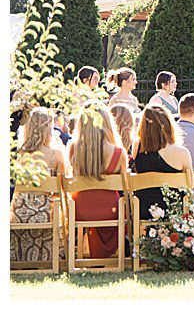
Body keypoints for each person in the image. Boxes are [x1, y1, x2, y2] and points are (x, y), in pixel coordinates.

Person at [68, 104, 127, 259]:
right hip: (111, 211)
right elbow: (125, 187)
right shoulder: (118, 153)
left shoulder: (73, 149)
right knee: (126, 206)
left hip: (80, 210)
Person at [11, 107, 68, 265]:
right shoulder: (56, 153)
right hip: (45, 211)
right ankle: (53, 259)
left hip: (19, 211)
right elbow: (62, 186)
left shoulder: (19, 153)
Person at [130, 105, 193, 219]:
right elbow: (190, 186)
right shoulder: (182, 153)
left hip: (145, 210)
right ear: (169, 124)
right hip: (174, 210)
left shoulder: (137, 147)